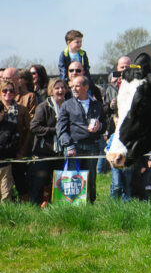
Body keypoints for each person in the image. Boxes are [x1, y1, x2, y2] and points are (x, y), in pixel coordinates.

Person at [57, 75, 105, 204]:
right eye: (72, 86)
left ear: (86, 87)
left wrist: (100, 126)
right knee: (73, 178)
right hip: (75, 146)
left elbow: (105, 125)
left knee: (91, 178)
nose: (73, 88)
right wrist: (68, 145)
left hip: (92, 146)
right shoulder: (67, 105)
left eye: (77, 86)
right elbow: (61, 129)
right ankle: (73, 205)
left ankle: (90, 204)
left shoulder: (97, 105)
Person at [29, 78, 67, 206]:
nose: (60, 90)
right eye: (57, 88)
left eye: (62, 87)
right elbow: (34, 127)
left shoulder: (68, 106)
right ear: (51, 91)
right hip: (44, 152)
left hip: (60, 153)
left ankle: (55, 207)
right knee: (40, 182)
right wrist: (53, 130)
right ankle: (33, 208)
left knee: (58, 182)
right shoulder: (43, 107)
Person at [0, 80, 28, 202]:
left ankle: (25, 206)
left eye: (11, 90)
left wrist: (22, 151)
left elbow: (28, 132)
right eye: (5, 90)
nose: (8, 93)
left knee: (20, 180)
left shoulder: (22, 109)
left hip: (17, 151)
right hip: (2, 153)